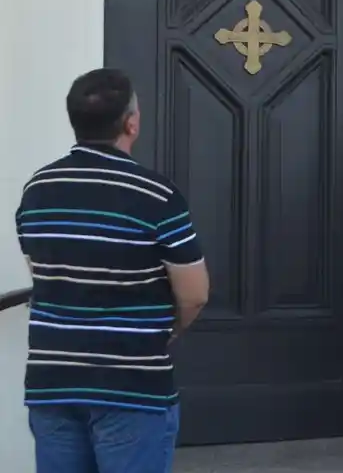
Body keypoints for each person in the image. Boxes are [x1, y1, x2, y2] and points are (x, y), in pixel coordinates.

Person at [15, 68, 209, 473]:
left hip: (54, 383)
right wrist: (169, 331)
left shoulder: (37, 189)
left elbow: (42, 271)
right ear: (131, 123)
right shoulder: (157, 195)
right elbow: (194, 294)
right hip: (132, 387)